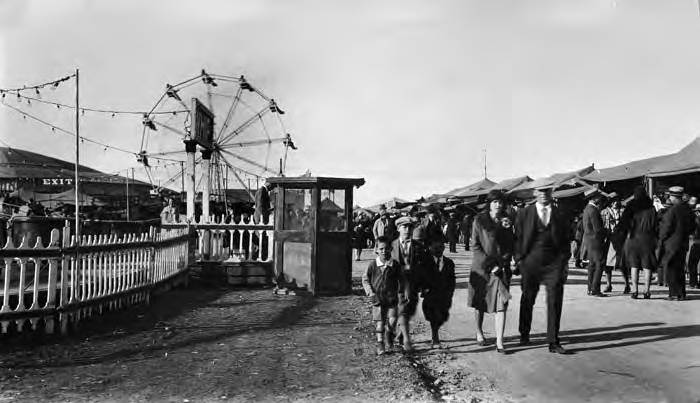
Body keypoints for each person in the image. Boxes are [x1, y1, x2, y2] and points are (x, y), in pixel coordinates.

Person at [514, 186, 571, 354]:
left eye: (547, 191)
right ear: (534, 193)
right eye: (540, 191)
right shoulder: (524, 213)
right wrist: (519, 259)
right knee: (528, 298)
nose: (543, 194)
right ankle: (524, 334)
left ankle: (553, 341)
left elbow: (567, 237)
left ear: (551, 193)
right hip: (531, 262)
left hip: (554, 263)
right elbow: (517, 238)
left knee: (554, 300)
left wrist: (563, 261)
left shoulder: (560, 213)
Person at [468, 190, 514, 353]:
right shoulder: (479, 220)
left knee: (501, 304)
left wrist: (504, 262)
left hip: (500, 269)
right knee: (480, 303)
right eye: (495, 202)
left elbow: (510, 244)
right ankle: (479, 332)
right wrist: (490, 264)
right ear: (489, 203)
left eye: (500, 202)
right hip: (482, 268)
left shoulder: (506, 221)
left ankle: (499, 342)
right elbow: (475, 245)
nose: (498, 205)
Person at [362, 235, 406, 355]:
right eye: (381, 249)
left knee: (392, 321)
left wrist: (402, 292)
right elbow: (365, 280)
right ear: (376, 250)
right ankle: (380, 343)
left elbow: (401, 280)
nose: (384, 251)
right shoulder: (372, 265)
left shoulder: (395, 265)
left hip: (392, 299)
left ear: (391, 249)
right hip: (377, 299)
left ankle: (389, 332)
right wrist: (370, 293)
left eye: (386, 248)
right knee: (380, 322)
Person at [390, 216, 427, 352]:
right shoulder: (391, 246)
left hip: (412, 285)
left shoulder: (419, 247)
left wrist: (424, 286)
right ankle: (406, 340)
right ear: (398, 229)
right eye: (404, 227)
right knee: (403, 310)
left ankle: (395, 333)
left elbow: (424, 268)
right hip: (396, 285)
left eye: (410, 227)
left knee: (409, 310)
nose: (407, 230)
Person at [619, 186, 658, 299]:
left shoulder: (630, 207)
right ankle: (646, 290)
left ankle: (635, 291)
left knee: (634, 265)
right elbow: (656, 226)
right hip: (647, 239)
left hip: (632, 239)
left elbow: (623, 224)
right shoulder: (652, 209)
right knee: (647, 265)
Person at [658, 186, 695, 301]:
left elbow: (666, 227)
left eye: (670, 196)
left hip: (671, 244)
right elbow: (693, 226)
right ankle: (681, 293)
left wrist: (661, 239)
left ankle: (674, 293)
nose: (669, 198)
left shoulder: (673, 210)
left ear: (674, 197)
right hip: (683, 243)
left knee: (671, 268)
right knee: (680, 269)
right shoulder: (688, 209)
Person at [421, 237, 456, 349]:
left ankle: (435, 330)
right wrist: (424, 288)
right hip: (430, 295)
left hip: (444, 296)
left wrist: (450, 293)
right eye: (435, 247)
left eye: (441, 247)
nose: (438, 250)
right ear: (430, 248)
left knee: (442, 317)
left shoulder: (449, 263)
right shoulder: (425, 262)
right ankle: (435, 337)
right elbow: (420, 276)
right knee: (433, 316)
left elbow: (452, 280)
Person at [601, 196, 629, 293]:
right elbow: (602, 225)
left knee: (622, 264)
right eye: (613, 201)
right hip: (609, 241)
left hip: (621, 240)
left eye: (617, 200)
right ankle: (608, 285)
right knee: (607, 264)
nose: (616, 202)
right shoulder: (604, 212)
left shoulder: (624, 211)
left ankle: (627, 285)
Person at [581, 191, 607, 297]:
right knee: (600, 263)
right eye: (598, 197)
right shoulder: (594, 210)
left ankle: (590, 287)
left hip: (589, 240)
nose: (599, 199)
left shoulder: (587, 209)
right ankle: (595, 288)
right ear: (594, 198)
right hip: (595, 240)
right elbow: (598, 229)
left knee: (591, 264)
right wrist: (607, 232)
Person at [686, 197, 700, 289]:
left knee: (692, 263)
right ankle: (694, 282)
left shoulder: (696, 219)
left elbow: (695, 231)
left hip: (696, 242)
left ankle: (693, 282)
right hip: (696, 241)